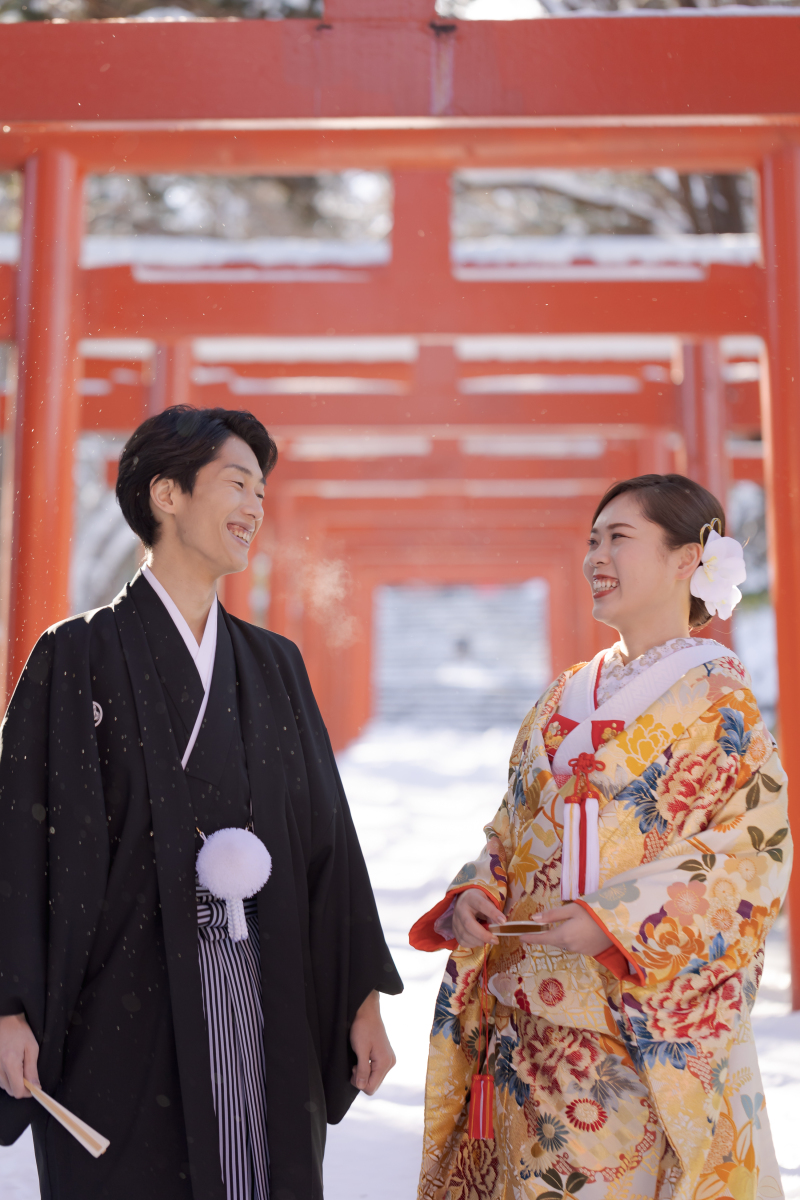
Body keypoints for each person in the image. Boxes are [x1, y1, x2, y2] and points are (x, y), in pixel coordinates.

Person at [0, 406, 402, 1200]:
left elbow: (326, 839)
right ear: (167, 495)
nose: (256, 506)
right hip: (113, 1002)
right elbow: (18, 842)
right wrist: (9, 1005)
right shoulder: (73, 655)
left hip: (265, 991)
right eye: (236, 483)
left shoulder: (274, 665)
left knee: (262, 1169)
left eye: (262, 489)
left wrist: (360, 999)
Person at [410, 473, 790, 1200]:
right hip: (525, 1033)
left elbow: (752, 857)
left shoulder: (719, 701)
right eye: (592, 540)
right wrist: (478, 891)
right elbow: (510, 827)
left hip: (634, 1033)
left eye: (619, 538)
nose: (595, 556)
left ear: (689, 560)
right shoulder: (563, 695)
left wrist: (615, 921)